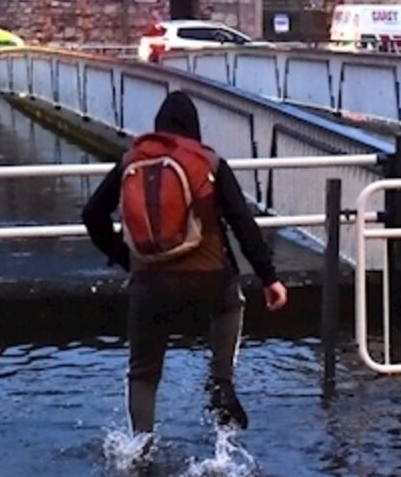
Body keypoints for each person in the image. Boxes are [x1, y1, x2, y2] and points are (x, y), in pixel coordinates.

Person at [82, 91, 288, 436]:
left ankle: (139, 447)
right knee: (229, 306)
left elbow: (92, 215)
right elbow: (241, 221)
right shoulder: (208, 162)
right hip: (208, 276)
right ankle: (221, 383)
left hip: (149, 282)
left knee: (143, 372)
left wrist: (125, 258)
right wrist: (269, 278)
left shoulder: (131, 160)